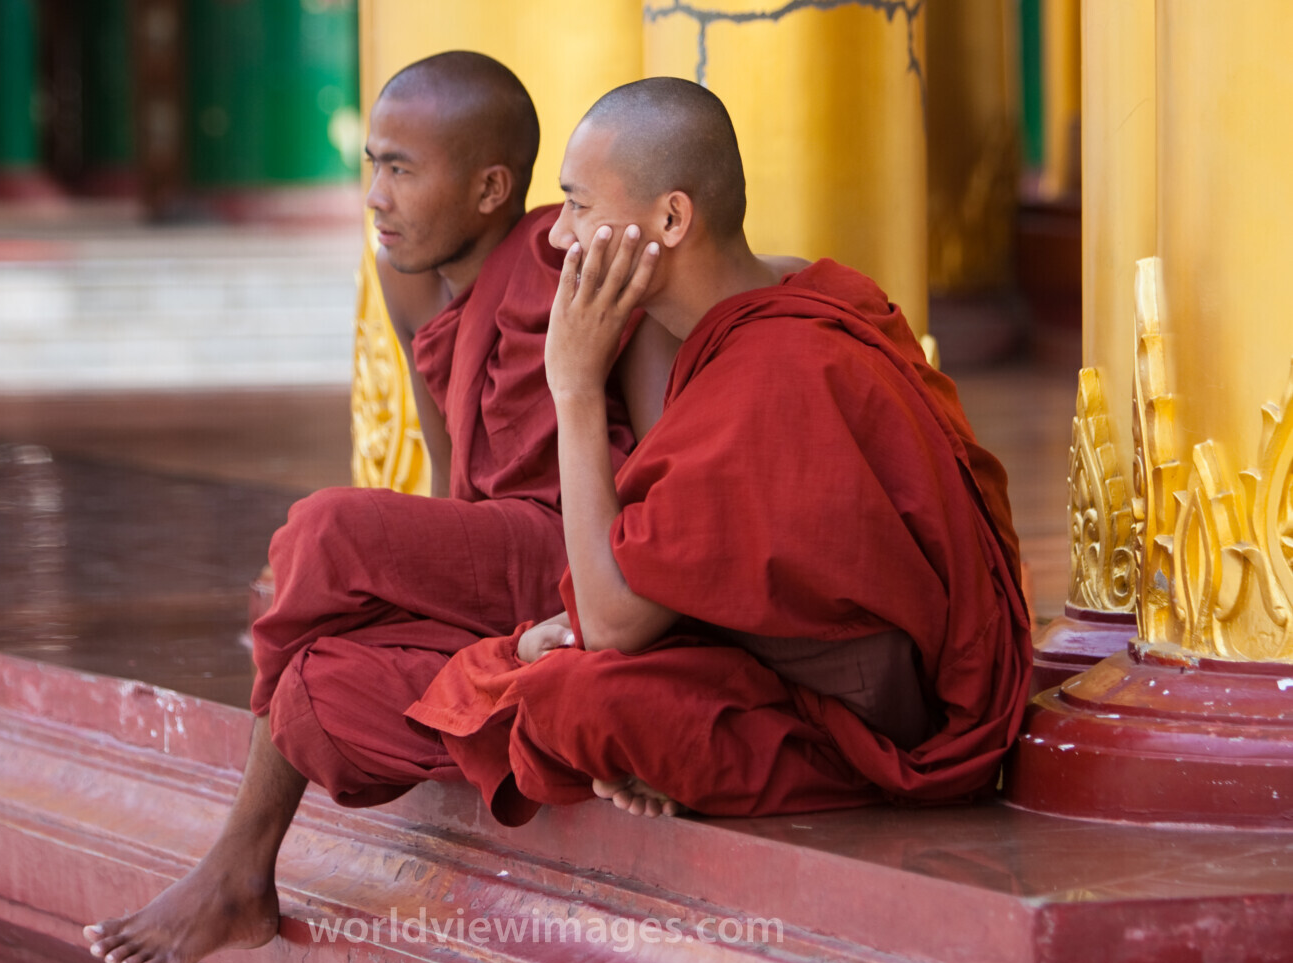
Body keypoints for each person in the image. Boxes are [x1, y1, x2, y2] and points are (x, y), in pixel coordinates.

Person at [81, 52, 673, 963]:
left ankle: (238, 863)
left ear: (490, 188)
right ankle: (253, 865)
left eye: (400, 168)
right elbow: (454, 478)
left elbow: (663, 466)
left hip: (571, 549)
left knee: (321, 532)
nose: (374, 196)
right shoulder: (406, 278)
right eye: (370, 165)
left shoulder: (569, 254)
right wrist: (403, 590)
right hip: (499, 555)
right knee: (315, 687)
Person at [406, 77, 1034, 825]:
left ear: (672, 217)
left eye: (578, 205)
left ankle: (789, 768)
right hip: (787, 666)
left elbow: (612, 626)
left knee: (568, 697)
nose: (557, 237)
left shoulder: (776, 364)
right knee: (548, 672)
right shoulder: (777, 308)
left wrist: (572, 388)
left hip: (873, 716)